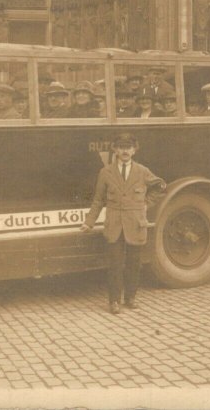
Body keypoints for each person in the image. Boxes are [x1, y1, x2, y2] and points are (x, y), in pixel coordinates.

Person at [79, 133, 166, 314]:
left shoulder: (142, 171)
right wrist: (89, 222)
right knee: (115, 265)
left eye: (128, 147)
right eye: (121, 147)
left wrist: (145, 204)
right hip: (114, 226)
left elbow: (160, 186)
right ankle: (114, 302)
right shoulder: (106, 172)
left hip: (135, 224)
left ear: (134, 150)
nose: (125, 151)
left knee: (134, 263)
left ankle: (131, 298)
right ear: (115, 150)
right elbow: (98, 200)